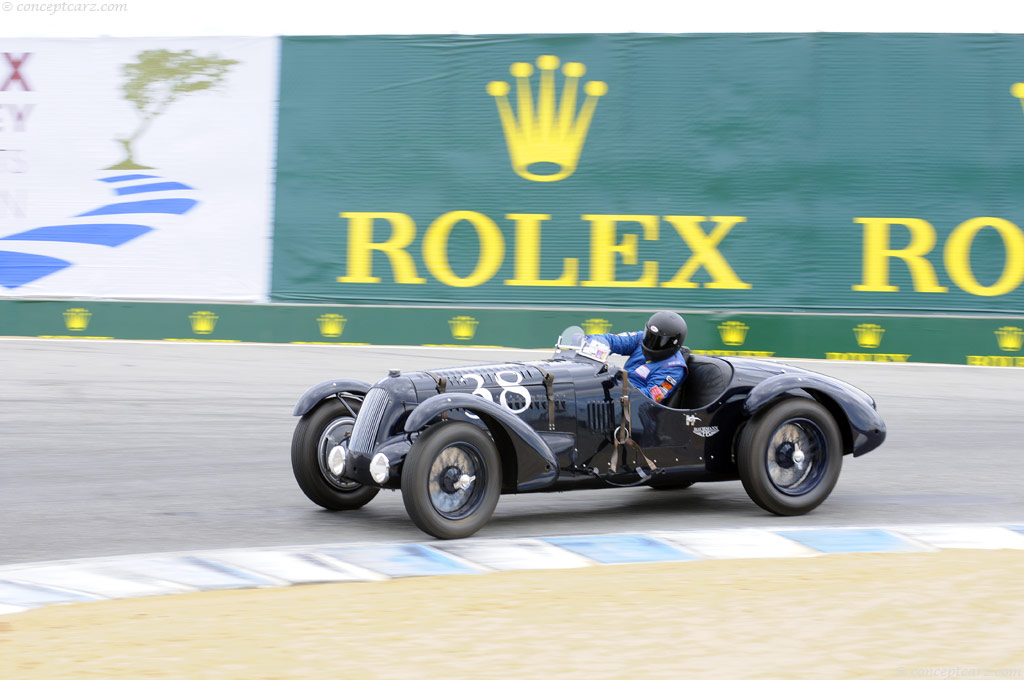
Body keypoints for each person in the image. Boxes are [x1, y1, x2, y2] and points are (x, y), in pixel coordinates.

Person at [587, 311, 688, 404]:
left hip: (634, 409)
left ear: (674, 343)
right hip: (616, 392)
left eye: (659, 340)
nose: (651, 342)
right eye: (650, 336)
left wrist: (615, 390)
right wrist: (589, 341)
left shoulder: (674, 368)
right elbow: (613, 340)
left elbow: (648, 397)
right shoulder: (641, 338)